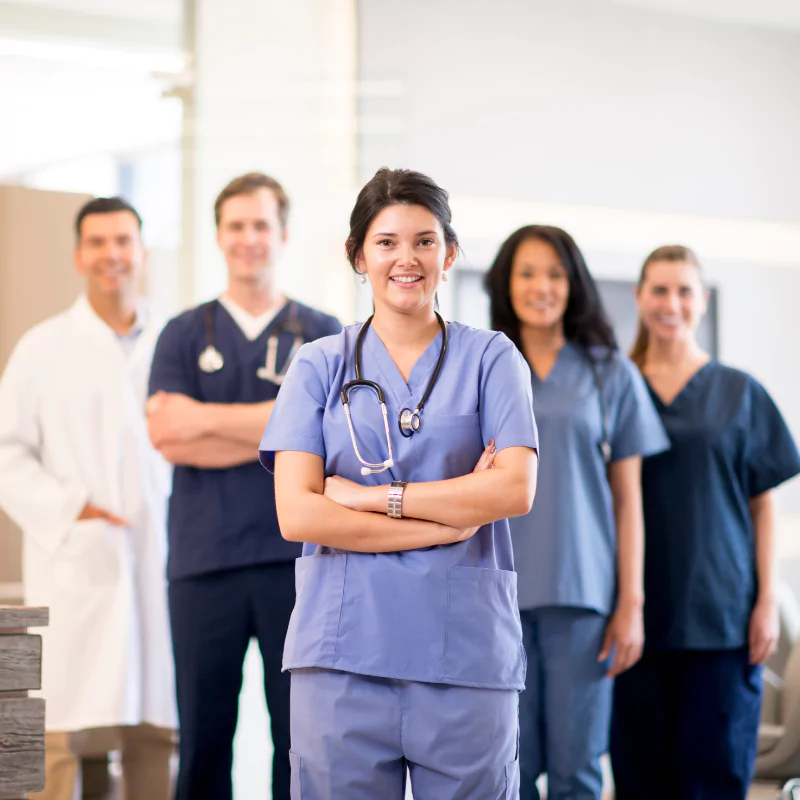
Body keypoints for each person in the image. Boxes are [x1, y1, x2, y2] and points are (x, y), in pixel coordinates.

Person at [259, 167, 540, 800]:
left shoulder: (493, 358)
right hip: (341, 659)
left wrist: (368, 498)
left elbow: (513, 490)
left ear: (450, 254)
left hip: (464, 660)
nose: (405, 259)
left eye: (424, 240)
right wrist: (448, 519)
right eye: (386, 242)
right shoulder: (319, 365)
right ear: (359, 255)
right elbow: (298, 515)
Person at [147, 172, 341, 800]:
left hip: (297, 564)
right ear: (218, 237)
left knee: (300, 740)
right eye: (236, 226)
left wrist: (203, 420)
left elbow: (328, 435)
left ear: (282, 234)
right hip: (204, 565)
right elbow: (169, 438)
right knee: (204, 740)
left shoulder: (322, 332)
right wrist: (281, 423)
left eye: (261, 225)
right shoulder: (182, 332)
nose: (249, 238)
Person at [0, 197, 176, 800]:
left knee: (154, 725)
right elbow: (6, 451)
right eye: (98, 242)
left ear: (142, 252)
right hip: (76, 561)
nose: (112, 255)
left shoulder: (172, 342)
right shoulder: (42, 347)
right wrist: (71, 509)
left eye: (123, 241)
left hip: (160, 558)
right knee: (63, 727)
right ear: (79, 255)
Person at [484, 225, 668, 799]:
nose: (542, 286)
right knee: (507, 766)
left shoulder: (609, 373)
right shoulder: (482, 366)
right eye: (527, 273)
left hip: (581, 597)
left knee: (578, 770)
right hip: (494, 596)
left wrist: (631, 604)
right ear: (505, 285)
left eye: (556, 274)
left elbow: (628, 498)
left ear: (574, 284)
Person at [610, 245, 800, 799]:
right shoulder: (617, 389)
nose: (672, 303)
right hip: (635, 618)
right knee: (639, 776)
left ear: (702, 300)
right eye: (660, 290)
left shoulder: (740, 392)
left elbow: (765, 505)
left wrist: (766, 600)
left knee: (714, 775)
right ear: (640, 297)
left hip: (721, 617)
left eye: (684, 291)